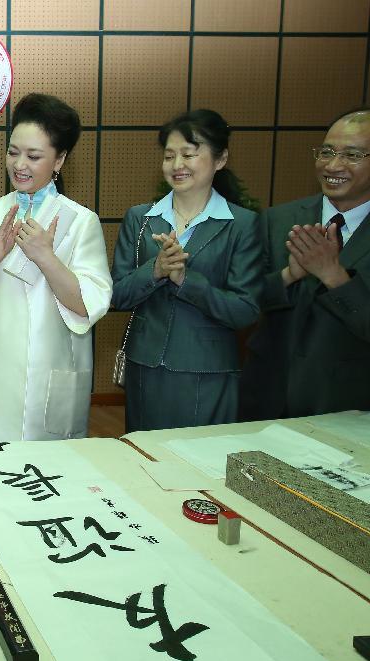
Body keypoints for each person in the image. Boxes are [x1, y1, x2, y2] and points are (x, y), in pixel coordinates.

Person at [0, 93, 112, 442]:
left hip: (45, 381)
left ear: (60, 159)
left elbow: (89, 304)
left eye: (34, 156)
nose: (20, 164)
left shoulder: (81, 221)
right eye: (13, 151)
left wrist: (46, 258)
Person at [111, 110, 261, 432]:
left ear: (220, 160)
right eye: (169, 156)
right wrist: (156, 270)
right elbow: (116, 295)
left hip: (208, 372)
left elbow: (245, 310)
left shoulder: (243, 225)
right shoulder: (140, 219)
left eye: (189, 154)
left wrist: (185, 280)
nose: (177, 165)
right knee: (142, 463)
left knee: (199, 467)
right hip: (145, 367)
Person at [240, 108, 370, 419]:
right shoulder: (277, 219)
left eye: (353, 154)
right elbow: (244, 302)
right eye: (327, 151)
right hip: (265, 394)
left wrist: (334, 276)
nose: (333, 165)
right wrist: (288, 275)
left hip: (346, 404)